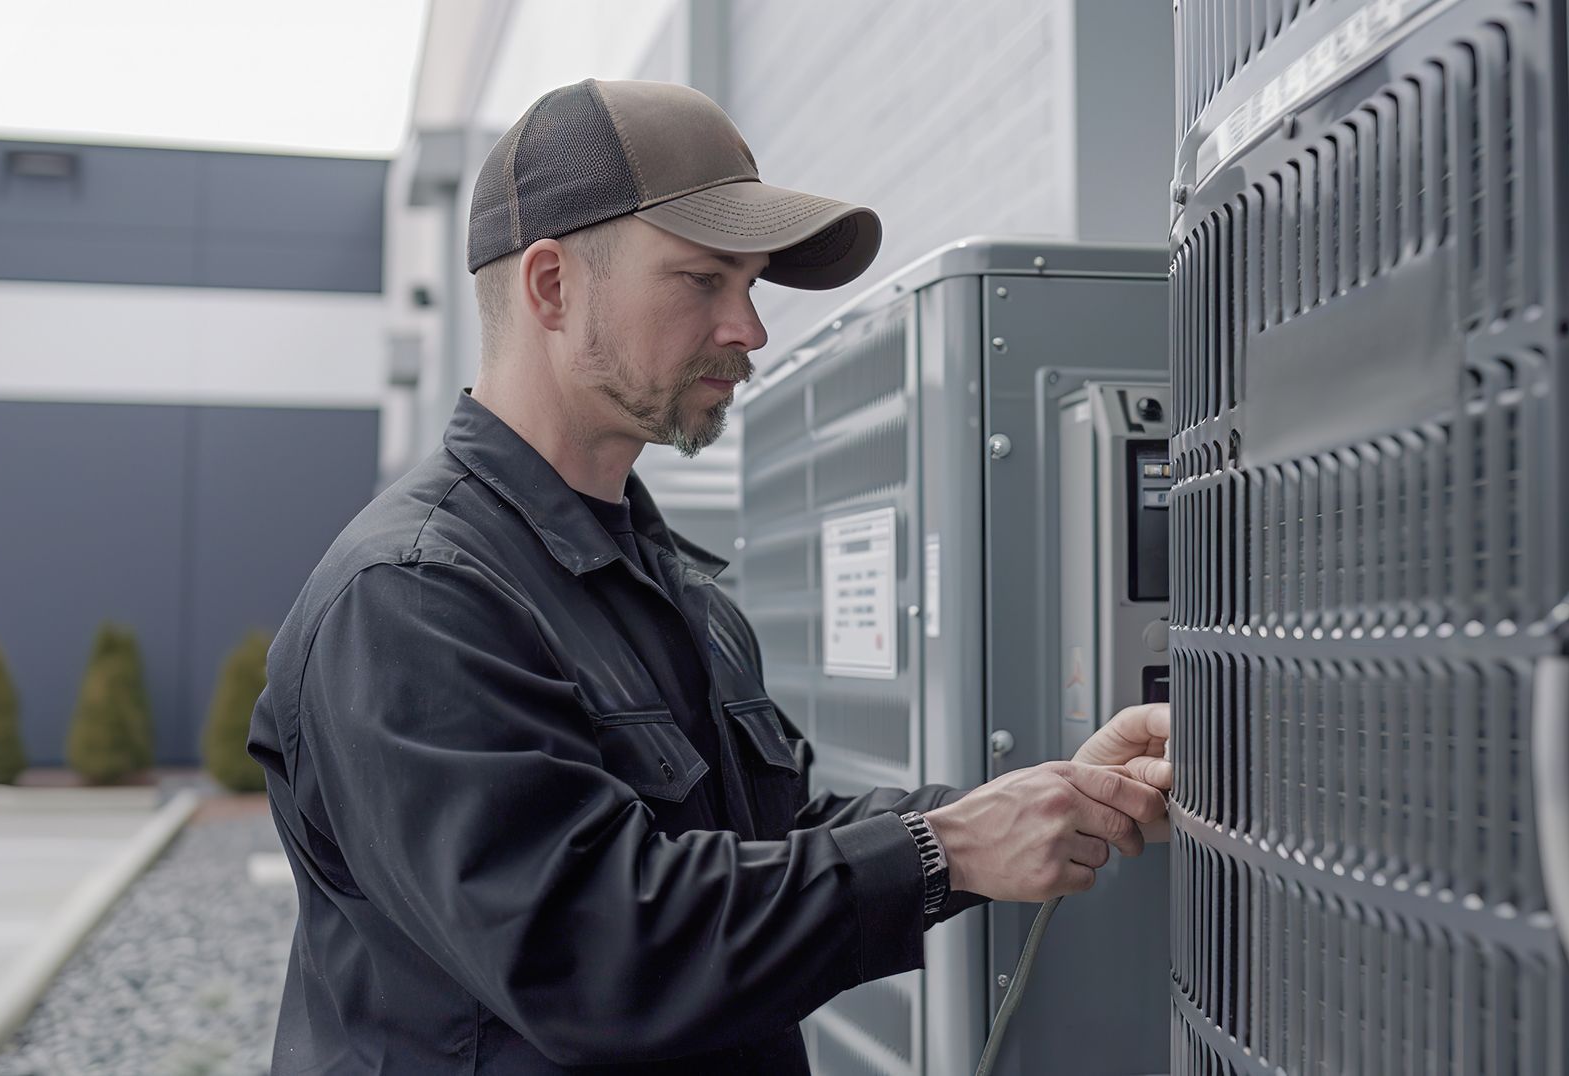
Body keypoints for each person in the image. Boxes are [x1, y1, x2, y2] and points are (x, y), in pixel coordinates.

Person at [247, 79, 1173, 1075]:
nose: (751, 329)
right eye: (704, 281)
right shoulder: (413, 598)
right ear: (552, 286)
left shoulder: (669, 585)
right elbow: (597, 951)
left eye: (754, 285)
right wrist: (946, 847)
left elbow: (766, 845)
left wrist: (1045, 800)